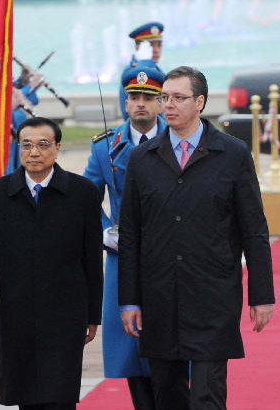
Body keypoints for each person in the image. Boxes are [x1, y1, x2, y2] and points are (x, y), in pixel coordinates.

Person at [117, 66, 275, 410]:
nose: (168, 105)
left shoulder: (231, 154)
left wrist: (262, 294)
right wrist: (129, 299)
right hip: (160, 296)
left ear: (200, 102)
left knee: (207, 394)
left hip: (212, 295)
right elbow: (130, 234)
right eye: (165, 98)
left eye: (178, 97)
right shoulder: (143, 158)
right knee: (168, 394)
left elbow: (254, 229)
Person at [0, 116, 104, 410]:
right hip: (17, 309)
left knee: (60, 394)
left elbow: (92, 259)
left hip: (66, 312)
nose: (34, 152)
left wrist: (94, 313)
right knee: (26, 394)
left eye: (43, 145)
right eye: (26, 145)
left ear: (57, 148)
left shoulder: (82, 194)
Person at [84, 64, 167, 410]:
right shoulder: (107, 148)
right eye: (134, 97)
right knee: (131, 346)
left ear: (161, 102)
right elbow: (87, 200)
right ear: (125, 101)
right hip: (124, 255)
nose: (140, 105)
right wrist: (106, 229)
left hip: (168, 255)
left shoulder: (178, 141)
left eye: (148, 98)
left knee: (170, 342)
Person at [119, 22, 164, 121]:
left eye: (159, 45)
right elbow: (128, 115)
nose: (156, 50)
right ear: (138, 47)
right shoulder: (130, 72)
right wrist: (145, 62)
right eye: (151, 45)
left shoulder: (158, 70)